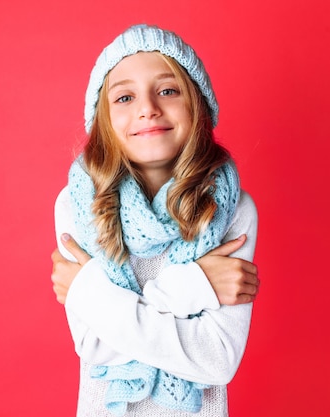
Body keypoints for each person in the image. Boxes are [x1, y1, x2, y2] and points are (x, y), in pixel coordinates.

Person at [51, 24, 259, 417]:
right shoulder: (79, 206)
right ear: (103, 120)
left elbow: (217, 360)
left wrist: (92, 296)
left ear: (197, 105)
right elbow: (97, 347)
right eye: (125, 97)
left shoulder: (232, 207)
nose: (147, 108)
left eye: (167, 90)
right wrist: (195, 284)